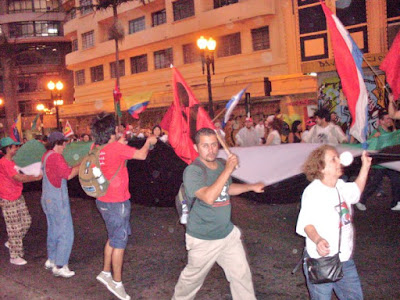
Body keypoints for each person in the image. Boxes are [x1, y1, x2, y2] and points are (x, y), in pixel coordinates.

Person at [172, 128, 264, 300]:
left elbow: (226, 189)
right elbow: (208, 196)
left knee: (241, 276)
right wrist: (228, 170)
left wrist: (250, 187)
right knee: (191, 282)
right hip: (203, 238)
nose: (211, 149)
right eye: (205, 145)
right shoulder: (193, 171)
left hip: (227, 234)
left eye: (214, 144)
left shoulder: (221, 165)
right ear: (196, 147)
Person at [91, 112, 157, 300]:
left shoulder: (96, 147)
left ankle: (105, 272)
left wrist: (118, 143)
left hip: (102, 199)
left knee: (112, 236)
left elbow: (111, 154)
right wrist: (149, 142)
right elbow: (142, 156)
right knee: (119, 242)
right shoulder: (115, 149)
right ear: (112, 131)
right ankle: (117, 283)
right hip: (117, 202)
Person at [296, 145, 371, 300]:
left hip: (345, 260)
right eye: (333, 159)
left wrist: (365, 166)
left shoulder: (341, 186)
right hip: (321, 261)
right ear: (322, 168)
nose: (339, 161)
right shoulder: (313, 192)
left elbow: (356, 192)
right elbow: (306, 223)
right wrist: (318, 240)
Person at [41, 131, 80, 277]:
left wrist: (75, 165)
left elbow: (62, 170)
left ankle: (51, 259)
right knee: (65, 231)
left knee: (53, 230)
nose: (65, 145)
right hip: (58, 199)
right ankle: (60, 265)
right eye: (64, 143)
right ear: (58, 143)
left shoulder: (47, 156)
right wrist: (82, 164)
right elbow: (68, 175)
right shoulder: (56, 157)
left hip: (47, 198)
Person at [0, 137, 42, 265]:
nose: (17, 149)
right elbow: (17, 177)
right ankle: (15, 255)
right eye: (14, 147)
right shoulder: (4, 163)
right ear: (8, 149)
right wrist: (34, 178)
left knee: (26, 221)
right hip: (8, 198)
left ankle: (13, 242)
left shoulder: (11, 162)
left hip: (17, 195)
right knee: (15, 227)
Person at [355, 110, 400, 211]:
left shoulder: (391, 131)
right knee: (374, 184)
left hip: (389, 162)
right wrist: (373, 138)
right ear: (381, 121)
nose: (390, 121)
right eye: (387, 119)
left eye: (390, 118)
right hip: (380, 164)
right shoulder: (377, 133)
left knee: (396, 180)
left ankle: (396, 203)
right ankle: (361, 200)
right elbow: (368, 145)